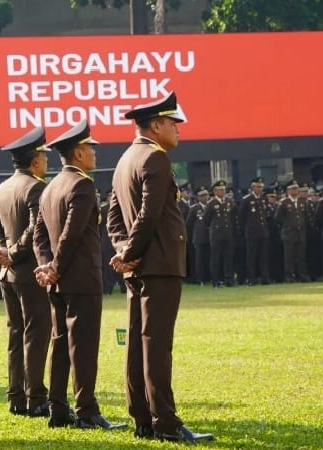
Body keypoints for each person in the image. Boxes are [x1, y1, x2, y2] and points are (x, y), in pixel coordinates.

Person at [107, 92, 214, 442]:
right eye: (173, 123)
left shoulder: (126, 159)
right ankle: (165, 422)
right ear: (156, 126)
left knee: (139, 343)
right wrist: (131, 251)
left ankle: (142, 418)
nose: (178, 130)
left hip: (138, 265)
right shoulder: (155, 158)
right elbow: (148, 214)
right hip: (158, 264)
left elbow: (113, 218)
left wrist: (124, 250)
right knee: (156, 344)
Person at [33, 120, 126, 431]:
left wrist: (47, 266)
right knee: (83, 345)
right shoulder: (82, 185)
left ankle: (58, 408)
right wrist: (55, 266)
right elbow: (70, 236)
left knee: (60, 343)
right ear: (77, 153)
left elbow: (39, 237)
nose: (94, 153)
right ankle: (86, 409)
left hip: (58, 281)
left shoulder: (50, 188)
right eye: (89, 148)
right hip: (80, 278)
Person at [0, 126, 52, 417]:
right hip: (28, 272)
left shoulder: (2, 188)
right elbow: (36, 228)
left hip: (7, 274)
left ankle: (16, 396)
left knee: (16, 334)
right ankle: (35, 397)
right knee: (35, 334)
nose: (47, 163)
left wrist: (2, 252)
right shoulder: (36, 187)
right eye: (44, 157)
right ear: (35, 160)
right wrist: (12, 253)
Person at [204, 180, 236, 288]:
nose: (223, 192)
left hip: (228, 234)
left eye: (224, 190)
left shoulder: (229, 202)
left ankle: (229, 279)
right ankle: (216, 280)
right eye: (221, 190)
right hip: (216, 235)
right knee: (215, 259)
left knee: (228, 258)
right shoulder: (211, 203)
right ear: (215, 191)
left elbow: (232, 217)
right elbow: (206, 220)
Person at [239, 177, 271, 285]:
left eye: (261, 187)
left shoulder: (263, 199)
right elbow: (241, 217)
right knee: (251, 256)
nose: (260, 189)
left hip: (263, 231)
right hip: (252, 232)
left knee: (263, 256)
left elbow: (265, 215)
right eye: (258, 187)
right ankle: (251, 278)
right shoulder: (247, 199)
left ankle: (264, 277)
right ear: (253, 187)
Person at [275, 180, 308, 282]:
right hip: (289, 233)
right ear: (288, 190)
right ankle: (289, 277)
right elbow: (278, 218)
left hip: (300, 233)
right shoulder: (284, 203)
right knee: (289, 257)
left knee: (300, 256)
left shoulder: (302, 201)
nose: (296, 190)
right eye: (293, 189)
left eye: (296, 188)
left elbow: (305, 216)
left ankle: (302, 276)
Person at [188, 187, 210, 286]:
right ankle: (200, 279)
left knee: (209, 258)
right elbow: (188, 224)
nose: (205, 197)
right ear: (198, 198)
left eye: (206, 195)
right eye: (202, 196)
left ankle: (208, 277)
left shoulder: (210, 206)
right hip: (199, 238)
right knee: (199, 259)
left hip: (210, 237)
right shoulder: (194, 208)